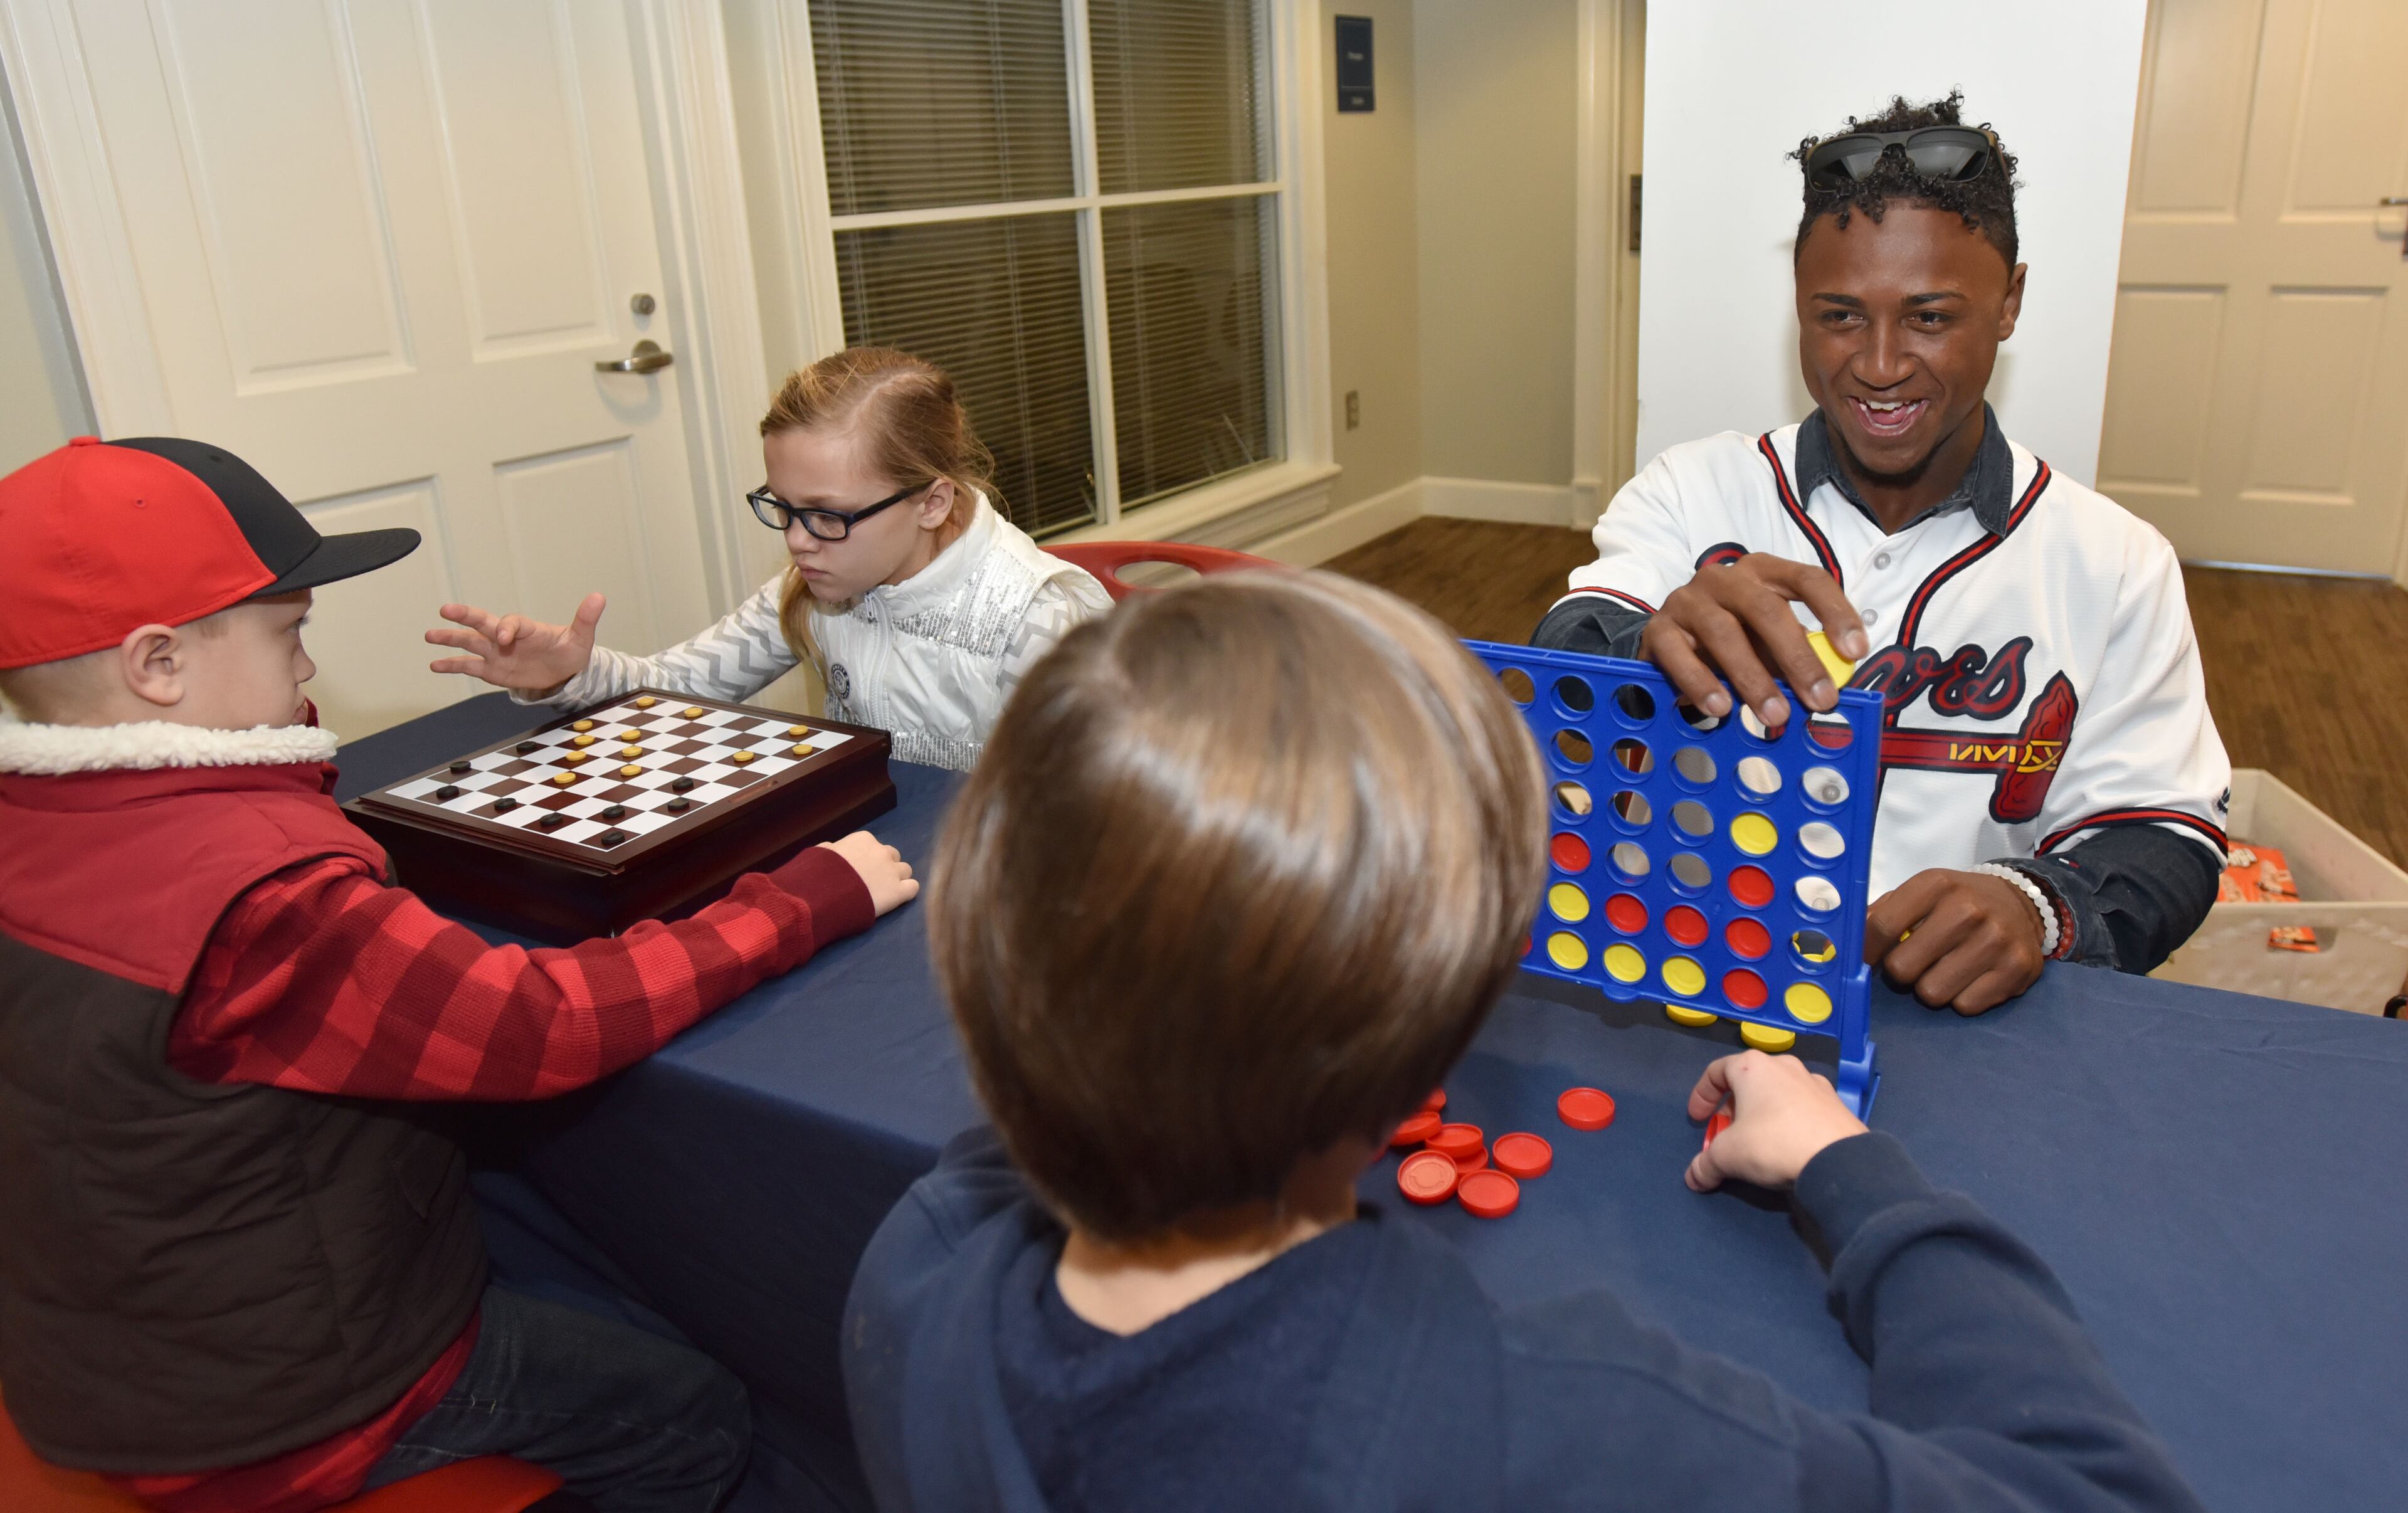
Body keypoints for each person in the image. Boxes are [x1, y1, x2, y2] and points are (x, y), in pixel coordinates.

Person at [842, 570, 2205, 1513]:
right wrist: (1863, 1180)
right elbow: (2090, 1486)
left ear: (978, 950)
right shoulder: (1549, 1427)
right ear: (1421, 1037)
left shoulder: (916, 1262)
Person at [0, 436, 917, 1512]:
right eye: (289, 635)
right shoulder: (263, 900)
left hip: (92, 1353)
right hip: (272, 1406)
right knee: (692, 1410)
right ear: (156, 665)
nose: (305, 669)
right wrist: (802, 899)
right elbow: (545, 1024)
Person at [1534, 93, 2230, 1015]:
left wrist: (2040, 902)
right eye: (1840, 316)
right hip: (1676, 983)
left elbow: (2163, 835)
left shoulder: (2113, 562)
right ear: (1797, 302)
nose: (1881, 363)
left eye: (1931, 317)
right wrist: (1655, 640)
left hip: (1950, 1022)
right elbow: (1569, 657)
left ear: (2010, 301)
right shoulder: (1693, 491)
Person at [426, 347, 1113, 771]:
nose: (796, 540)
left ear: (932, 503)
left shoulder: (1041, 620)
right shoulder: (824, 582)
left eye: (827, 515)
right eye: (781, 506)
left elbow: (1083, 821)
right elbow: (674, 687)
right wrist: (570, 675)